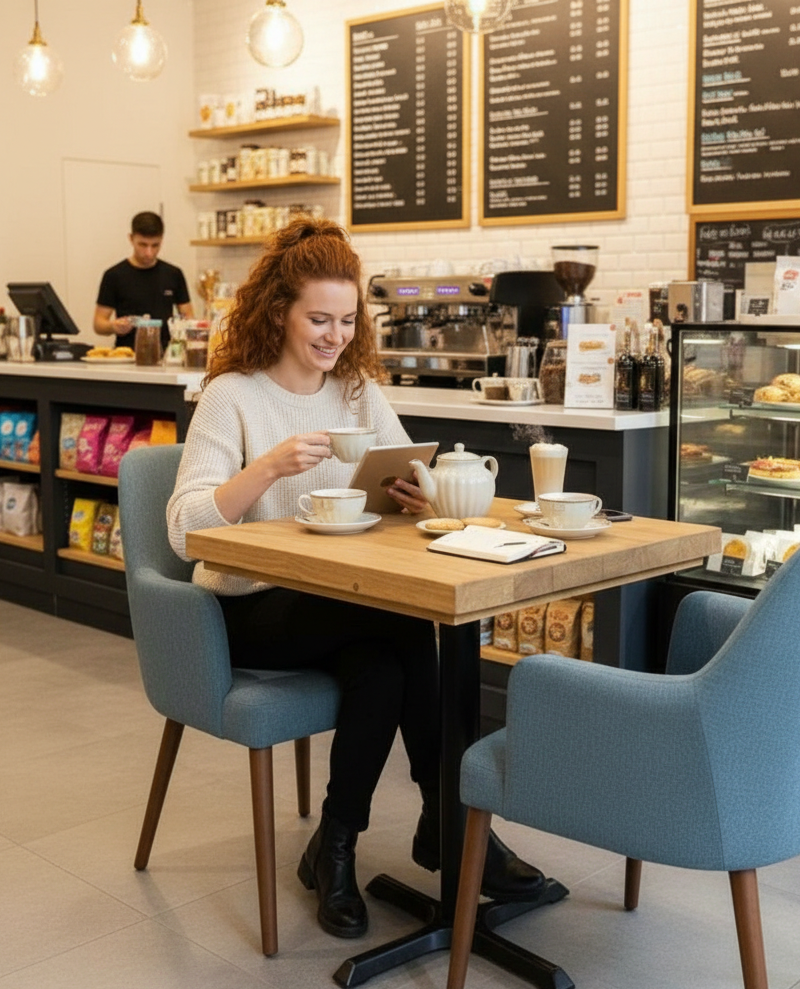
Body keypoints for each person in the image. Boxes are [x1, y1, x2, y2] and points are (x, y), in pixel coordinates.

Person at [166, 218, 544, 940]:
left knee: (384, 666)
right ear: (278, 311)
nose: (335, 336)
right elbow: (184, 530)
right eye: (319, 319)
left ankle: (336, 845)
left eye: (346, 321)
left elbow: (410, 468)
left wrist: (417, 493)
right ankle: (450, 824)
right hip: (250, 608)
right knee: (402, 620)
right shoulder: (231, 395)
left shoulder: (356, 389)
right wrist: (267, 467)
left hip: (338, 604)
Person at [94, 211, 193, 350]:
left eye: (155, 245)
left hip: (166, 354)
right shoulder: (114, 275)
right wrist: (114, 326)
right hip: (127, 354)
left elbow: (188, 317)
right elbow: (98, 324)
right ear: (131, 239)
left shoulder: (174, 274)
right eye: (143, 245)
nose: (149, 252)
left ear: (162, 240)